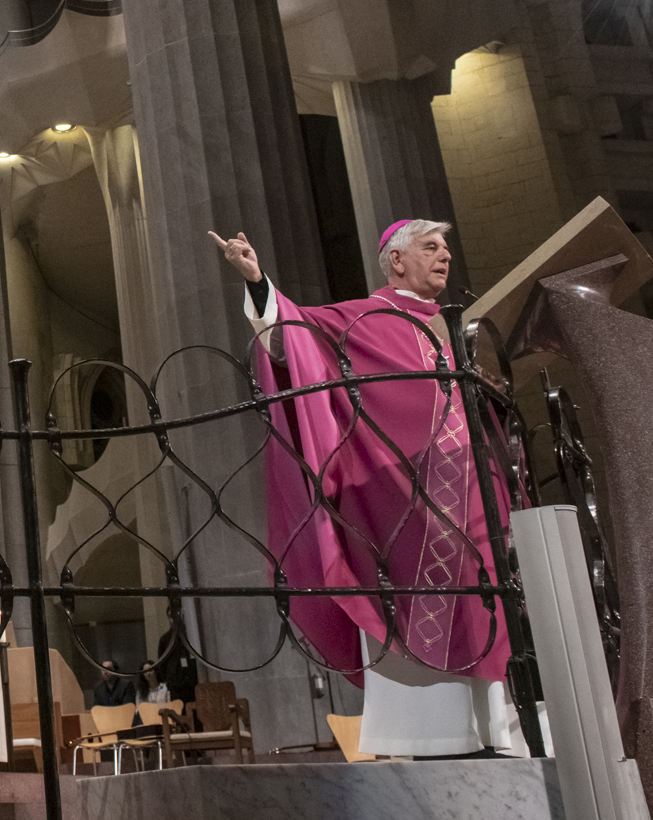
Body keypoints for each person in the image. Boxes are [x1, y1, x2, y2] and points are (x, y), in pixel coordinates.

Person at [212, 220, 517, 758]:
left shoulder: (453, 328)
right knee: (418, 611)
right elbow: (290, 335)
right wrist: (259, 283)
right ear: (396, 261)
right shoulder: (364, 318)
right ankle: (431, 740)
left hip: (473, 503)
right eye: (431, 247)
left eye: (446, 247)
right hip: (401, 508)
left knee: (487, 609)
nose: (445, 255)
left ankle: (496, 732)